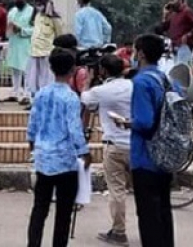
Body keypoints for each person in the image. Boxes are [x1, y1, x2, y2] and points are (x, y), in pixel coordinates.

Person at [26, 48, 92, 247]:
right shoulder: (71, 97)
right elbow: (74, 128)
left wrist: (32, 143)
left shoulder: (41, 94)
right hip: (65, 160)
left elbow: (33, 122)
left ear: (51, 68)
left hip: (44, 157)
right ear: (72, 70)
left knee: (40, 208)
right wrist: (84, 152)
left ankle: (33, 244)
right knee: (64, 212)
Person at [126, 34, 175, 247]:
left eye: (135, 51)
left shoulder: (141, 82)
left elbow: (144, 122)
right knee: (164, 210)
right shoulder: (167, 79)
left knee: (148, 216)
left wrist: (128, 123)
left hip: (145, 156)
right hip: (166, 153)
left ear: (142, 54)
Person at [81, 55, 133, 246]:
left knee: (117, 190)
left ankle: (119, 231)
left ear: (103, 71)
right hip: (136, 144)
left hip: (114, 145)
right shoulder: (132, 86)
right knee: (143, 190)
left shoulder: (100, 91)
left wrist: (88, 80)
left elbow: (85, 99)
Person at [26, 0, 63, 107]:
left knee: (46, 79)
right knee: (33, 79)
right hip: (34, 51)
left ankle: (47, 100)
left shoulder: (55, 19)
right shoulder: (37, 16)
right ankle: (34, 100)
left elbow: (59, 36)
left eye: (40, 3)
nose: (38, 6)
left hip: (47, 52)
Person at [157, 0, 193, 64]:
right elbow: (163, 28)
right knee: (176, 69)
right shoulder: (173, 14)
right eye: (170, 0)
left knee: (180, 68)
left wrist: (188, 35)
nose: (171, 2)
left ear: (180, 0)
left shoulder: (187, 11)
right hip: (174, 45)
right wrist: (165, 15)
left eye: (173, 0)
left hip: (184, 45)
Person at [6, 0, 34, 102]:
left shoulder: (32, 11)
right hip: (14, 43)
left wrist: (21, 30)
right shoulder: (12, 11)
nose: (16, 0)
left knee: (27, 70)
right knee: (15, 69)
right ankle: (15, 92)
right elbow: (7, 27)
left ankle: (27, 94)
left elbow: (35, 29)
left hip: (26, 43)